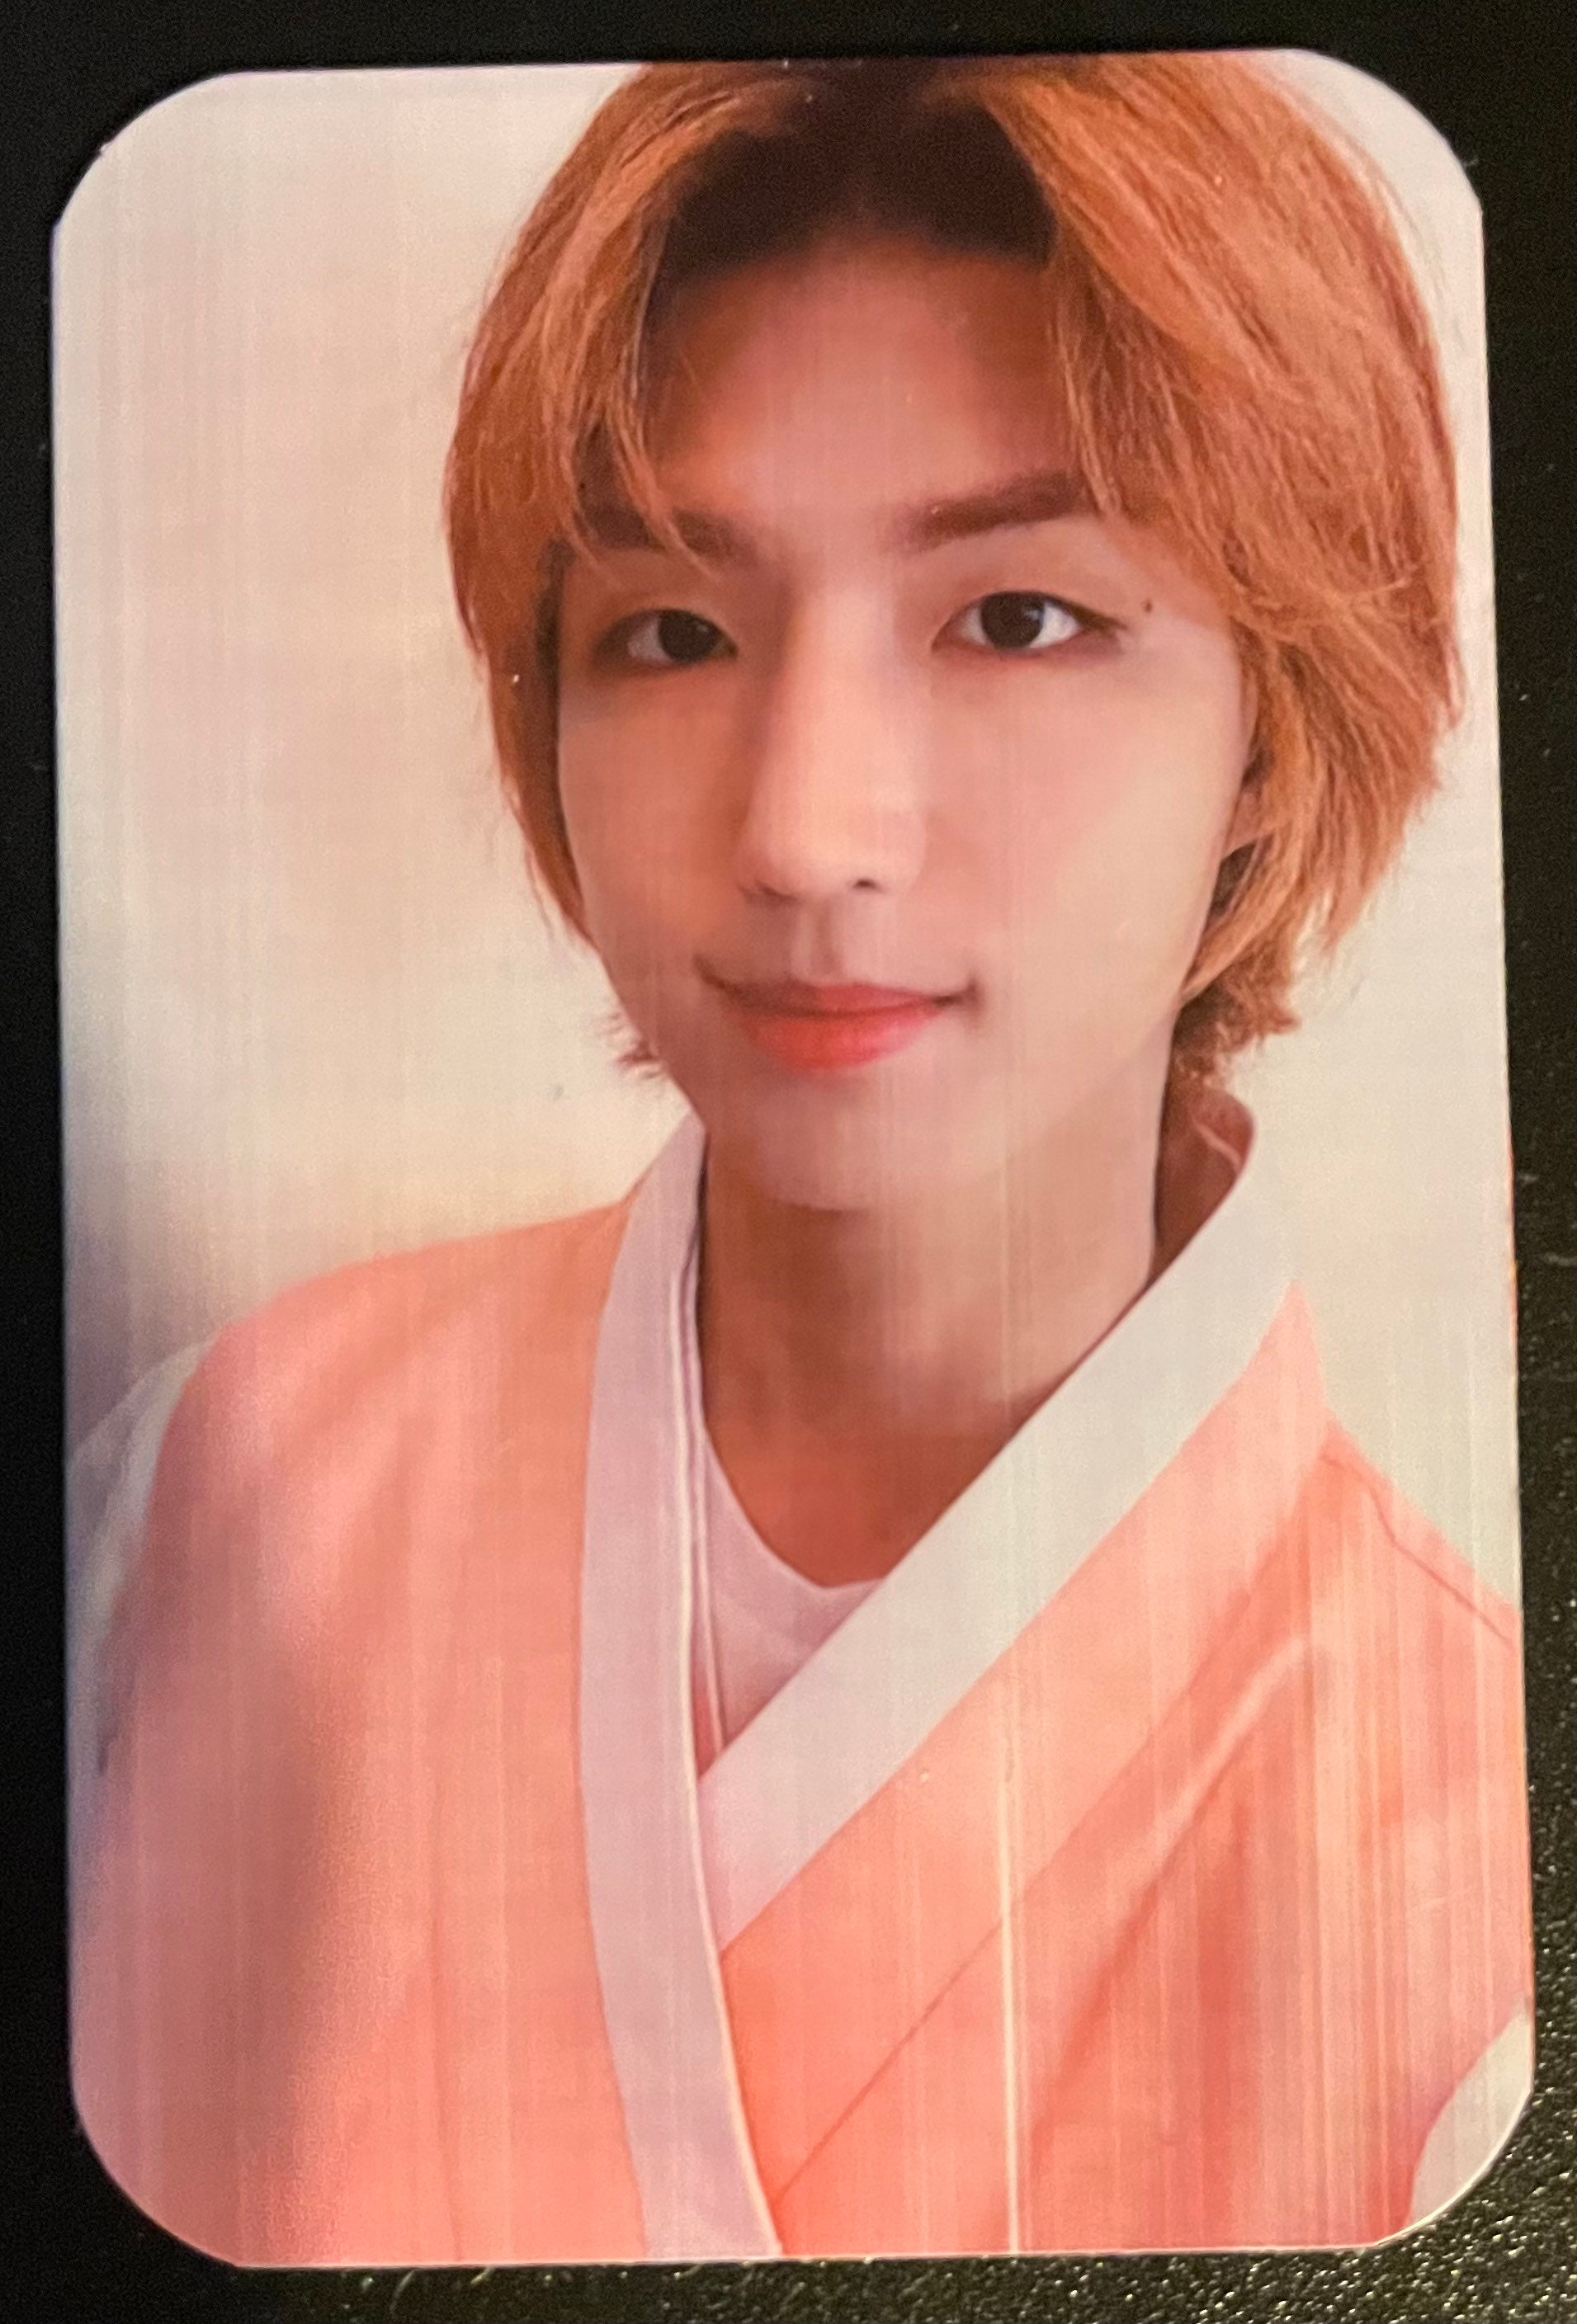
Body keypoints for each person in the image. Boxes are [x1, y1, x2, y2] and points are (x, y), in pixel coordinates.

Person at [71, 51, 1532, 2265]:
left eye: (1018, 617)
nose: (802, 829)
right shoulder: (222, 1484)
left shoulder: (1472, 1889)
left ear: (1268, 721)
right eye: (672, 631)